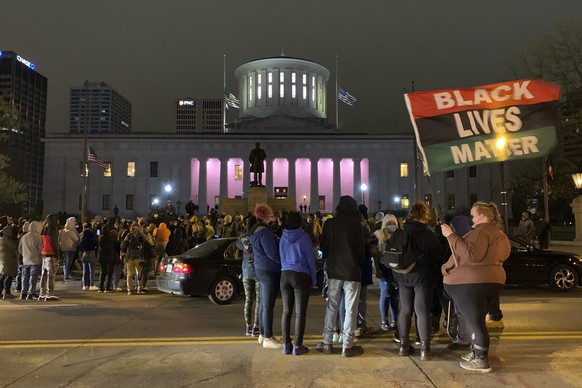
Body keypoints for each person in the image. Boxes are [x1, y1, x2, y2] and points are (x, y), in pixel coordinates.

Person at [441, 201, 511, 373]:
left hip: (470, 283)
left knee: (475, 321)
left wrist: (450, 235)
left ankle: (480, 359)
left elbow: (472, 255)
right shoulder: (499, 234)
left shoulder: (482, 232)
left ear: (481, 216)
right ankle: (476, 352)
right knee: (477, 320)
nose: (471, 218)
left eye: (472, 215)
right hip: (492, 281)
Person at [392, 201, 445, 361]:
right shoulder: (426, 234)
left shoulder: (400, 232)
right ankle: (425, 348)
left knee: (405, 310)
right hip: (422, 277)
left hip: (402, 276)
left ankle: (403, 345)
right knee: (422, 311)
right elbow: (439, 256)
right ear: (424, 216)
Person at [317, 195, 365, 357]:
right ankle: (347, 345)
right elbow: (361, 251)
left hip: (334, 271)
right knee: (351, 308)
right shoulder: (356, 225)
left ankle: (327, 342)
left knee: (332, 306)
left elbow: (324, 248)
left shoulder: (329, 224)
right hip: (352, 271)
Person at [279, 211, 317, 356]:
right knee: (300, 312)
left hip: (285, 274)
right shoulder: (304, 237)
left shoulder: (282, 237)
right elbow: (309, 260)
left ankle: (285, 345)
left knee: (286, 311)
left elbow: (281, 256)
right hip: (300, 274)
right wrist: (313, 278)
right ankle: (298, 345)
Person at [248, 203, 282, 349]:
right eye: (271, 213)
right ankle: (268, 337)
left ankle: (263, 334)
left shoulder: (256, 231)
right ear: (265, 216)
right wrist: (283, 260)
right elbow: (272, 254)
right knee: (268, 304)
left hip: (260, 268)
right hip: (269, 269)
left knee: (263, 303)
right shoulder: (265, 233)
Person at [373, 214, 400, 335]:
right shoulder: (379, 235)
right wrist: (377, 268)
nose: (391, 226)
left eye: (393, 223)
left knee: (395, 295)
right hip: (384, 268)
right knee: (385, 293)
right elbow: (375, 253)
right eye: (389, 223)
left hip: (395, 269)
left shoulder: (399, 235)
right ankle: (384, 320)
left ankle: (395, 320)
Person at [236, 216, 260, 337]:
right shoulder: (257, 235)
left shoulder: (242, 237)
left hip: (246, 271)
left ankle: (248, 327)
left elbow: (238, 247)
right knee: (259, 300)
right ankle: (256, 326)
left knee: (248, 299)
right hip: (257, 270)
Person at [40, 214, 61, 300]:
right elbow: (54, 244)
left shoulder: (44, 229)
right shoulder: (53, 230)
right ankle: (50, 293)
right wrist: (58, 255)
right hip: (51, 253)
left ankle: (42, 293)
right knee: (51, 275)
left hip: (44, 253)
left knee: (44, 274)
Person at [0, 225, 19, 299]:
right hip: (8, 259)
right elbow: (14, 246)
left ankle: (1, 291)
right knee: (9, 276)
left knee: (3, 275)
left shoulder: (3, 238)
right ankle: (7, 292)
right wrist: (17, 241)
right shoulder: (8, 239)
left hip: (4, 259)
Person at [79, 223, 99, 291]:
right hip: (91, 252)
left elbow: (80, 245)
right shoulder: (92, 238)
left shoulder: (83, 239)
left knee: (85, 270)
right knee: (91, 270)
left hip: (84, 253)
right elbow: (96, 244)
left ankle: (85, 285)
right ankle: (91, 284)